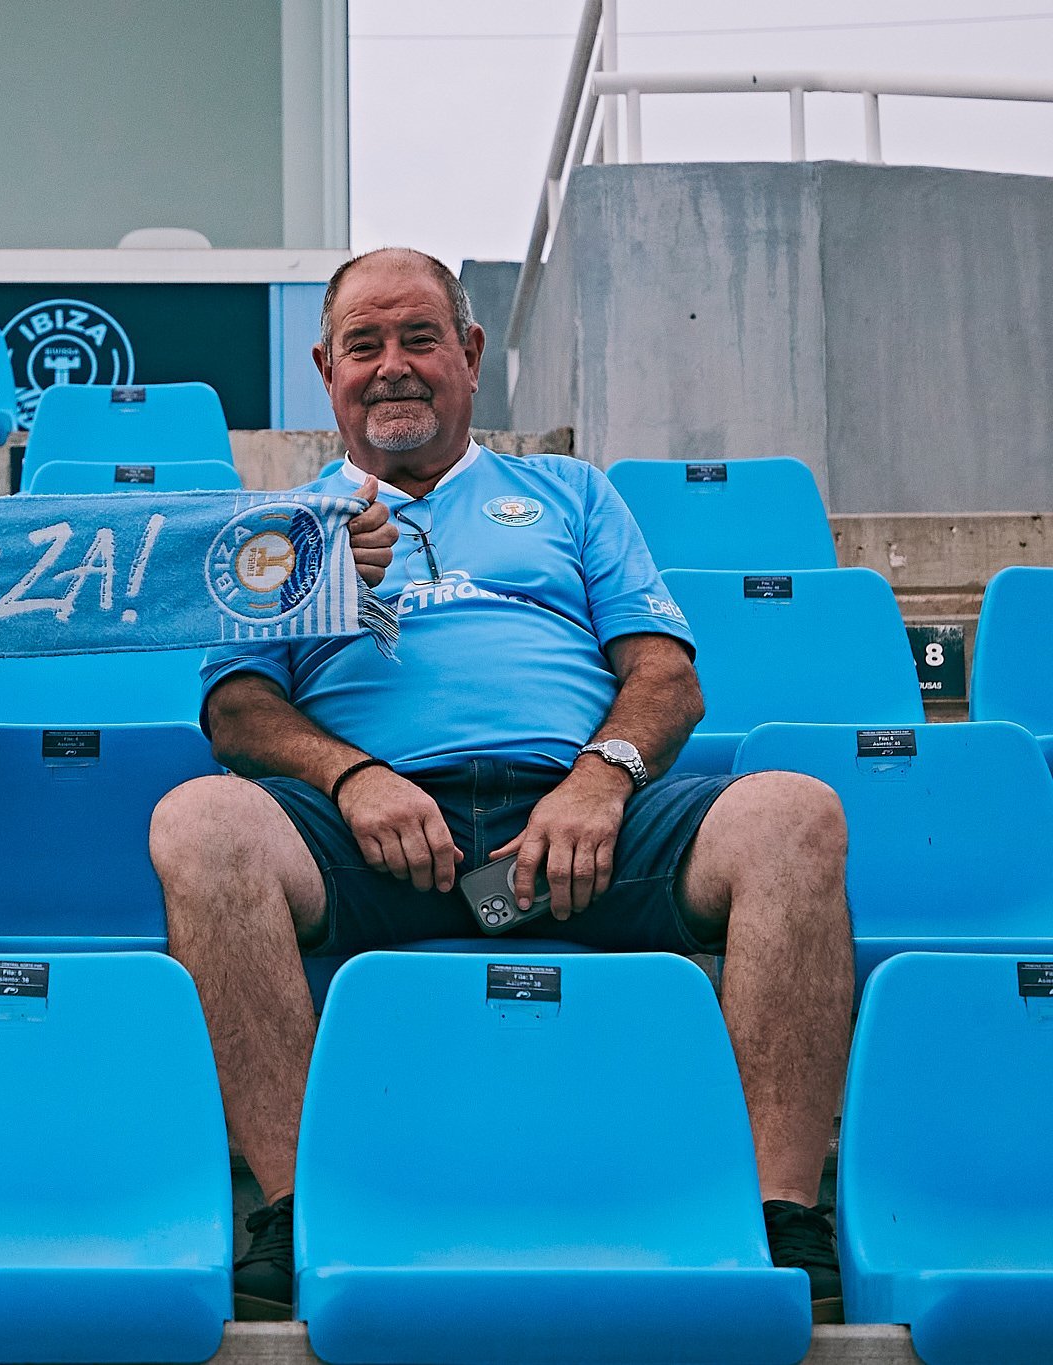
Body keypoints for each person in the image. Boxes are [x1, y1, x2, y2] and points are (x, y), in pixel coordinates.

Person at [147, 248, 853, 1323]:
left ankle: (775, 1213)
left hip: (581, 822)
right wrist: (353, 778)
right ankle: (297, 1208)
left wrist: (599, 781)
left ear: (470, 355)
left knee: (793, 815)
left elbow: (664, 679)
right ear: (325, 370)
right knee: (200, 822)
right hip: (366, 832)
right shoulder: (281, 525)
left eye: (419, 338)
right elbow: (237, 709)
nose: (392, 366)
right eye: (363, 345)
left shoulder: (571, 492)